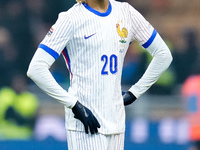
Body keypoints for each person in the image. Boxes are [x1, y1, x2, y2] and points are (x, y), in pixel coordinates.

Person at [27, 0, 172, 149]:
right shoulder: (70, 19)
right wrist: (73, 104)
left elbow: (163, 54)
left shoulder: (126, 12)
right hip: (85, 124)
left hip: (116, 123)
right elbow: (36, 68)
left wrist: (135, 92)